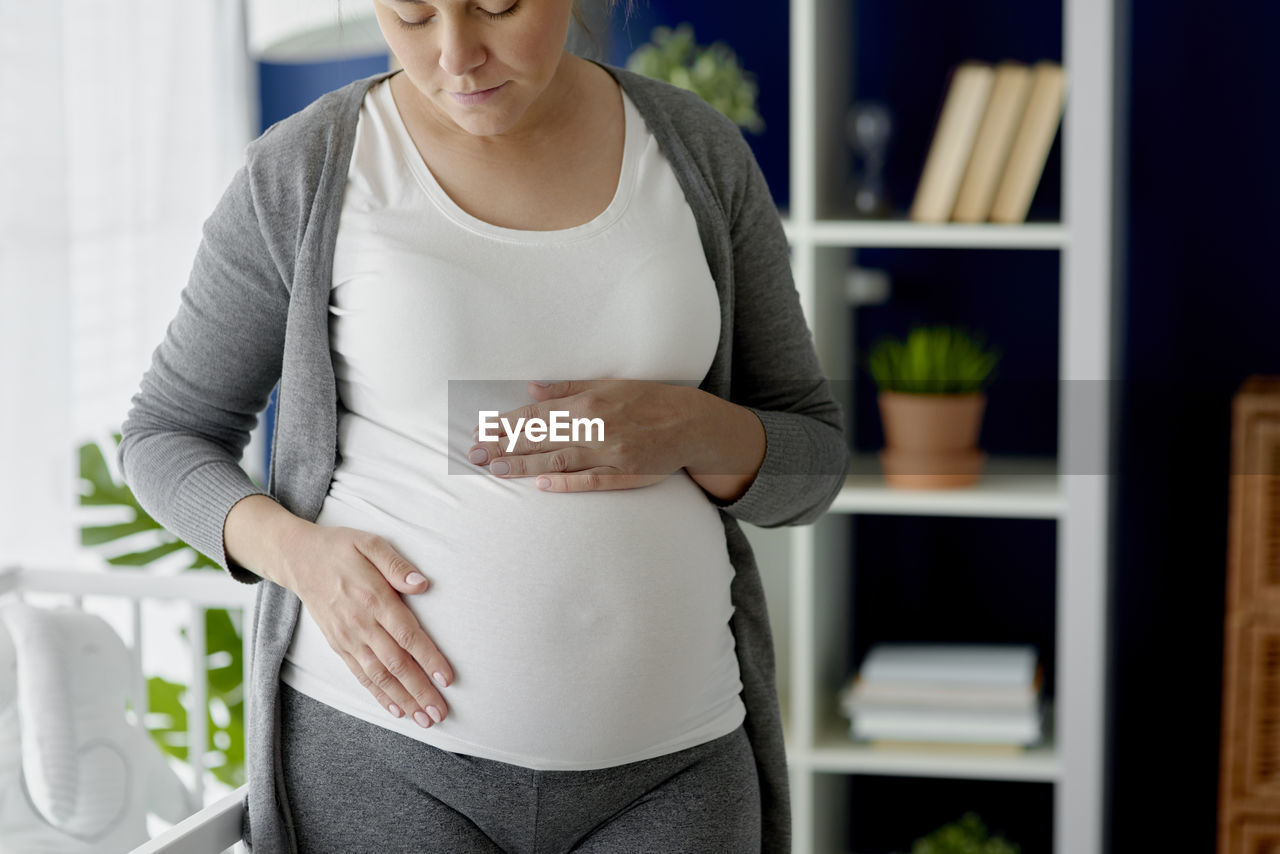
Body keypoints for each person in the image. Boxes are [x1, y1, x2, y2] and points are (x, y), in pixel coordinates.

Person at [120, 0, 848, 851]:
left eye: (497, 5)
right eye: (412, 14)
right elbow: (165, 434)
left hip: (675, 769)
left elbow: (815, 462)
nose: (457, 55)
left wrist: (693, 427)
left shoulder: (695, 151)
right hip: (385, 761)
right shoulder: (308, 167)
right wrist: (299, 558)